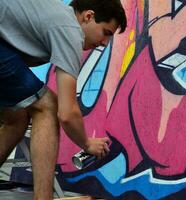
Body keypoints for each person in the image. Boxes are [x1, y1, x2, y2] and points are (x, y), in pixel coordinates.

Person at [0, 0, 127, 199]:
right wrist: (86, 144)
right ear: (88, 16)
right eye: (106, 33)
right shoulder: (69, 29)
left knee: (16, 118)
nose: (104, 43)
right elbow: (67, 113)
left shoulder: (54, 17)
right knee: (48, 106)